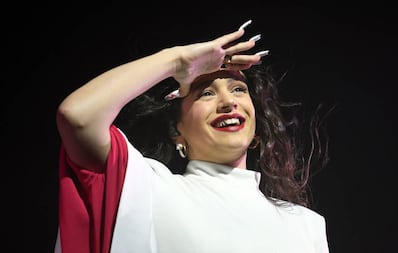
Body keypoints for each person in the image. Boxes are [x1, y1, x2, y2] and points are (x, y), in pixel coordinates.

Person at [54, 19, 330, 253]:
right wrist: (177, 61)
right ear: (176, 131)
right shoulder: (150, 189)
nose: (228, 102)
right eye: (206, 93)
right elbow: (79, 117)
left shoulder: (306, 225)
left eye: (238, 89)